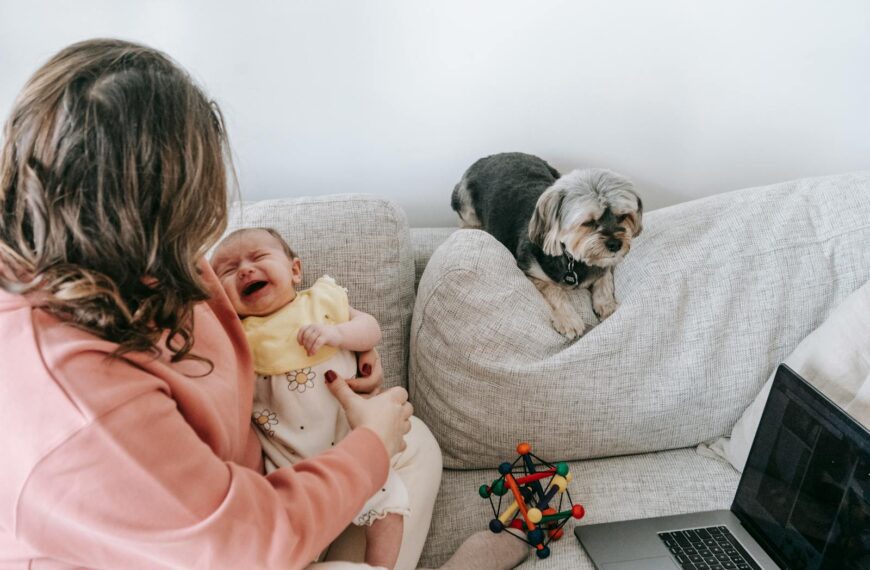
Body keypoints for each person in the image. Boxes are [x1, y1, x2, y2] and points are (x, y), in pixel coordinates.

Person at [0, 38, 527, 569]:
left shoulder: (148, 262)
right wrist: (368, 443)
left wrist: (341, 377)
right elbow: (242, 547)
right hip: (235, 544)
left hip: (259, 486)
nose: (207, 251)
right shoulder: (76, 398)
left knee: (416, 442)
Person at [211, 227, 408, 568]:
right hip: (289, 461)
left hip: (350, 437)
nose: (244, 270)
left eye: (258, 258)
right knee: (293, 538)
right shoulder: (237, 337)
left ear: (295, 271)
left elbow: (371, 328)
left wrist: (341, 334)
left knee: (389, 510)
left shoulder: (322, 303)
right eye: (228, 270)